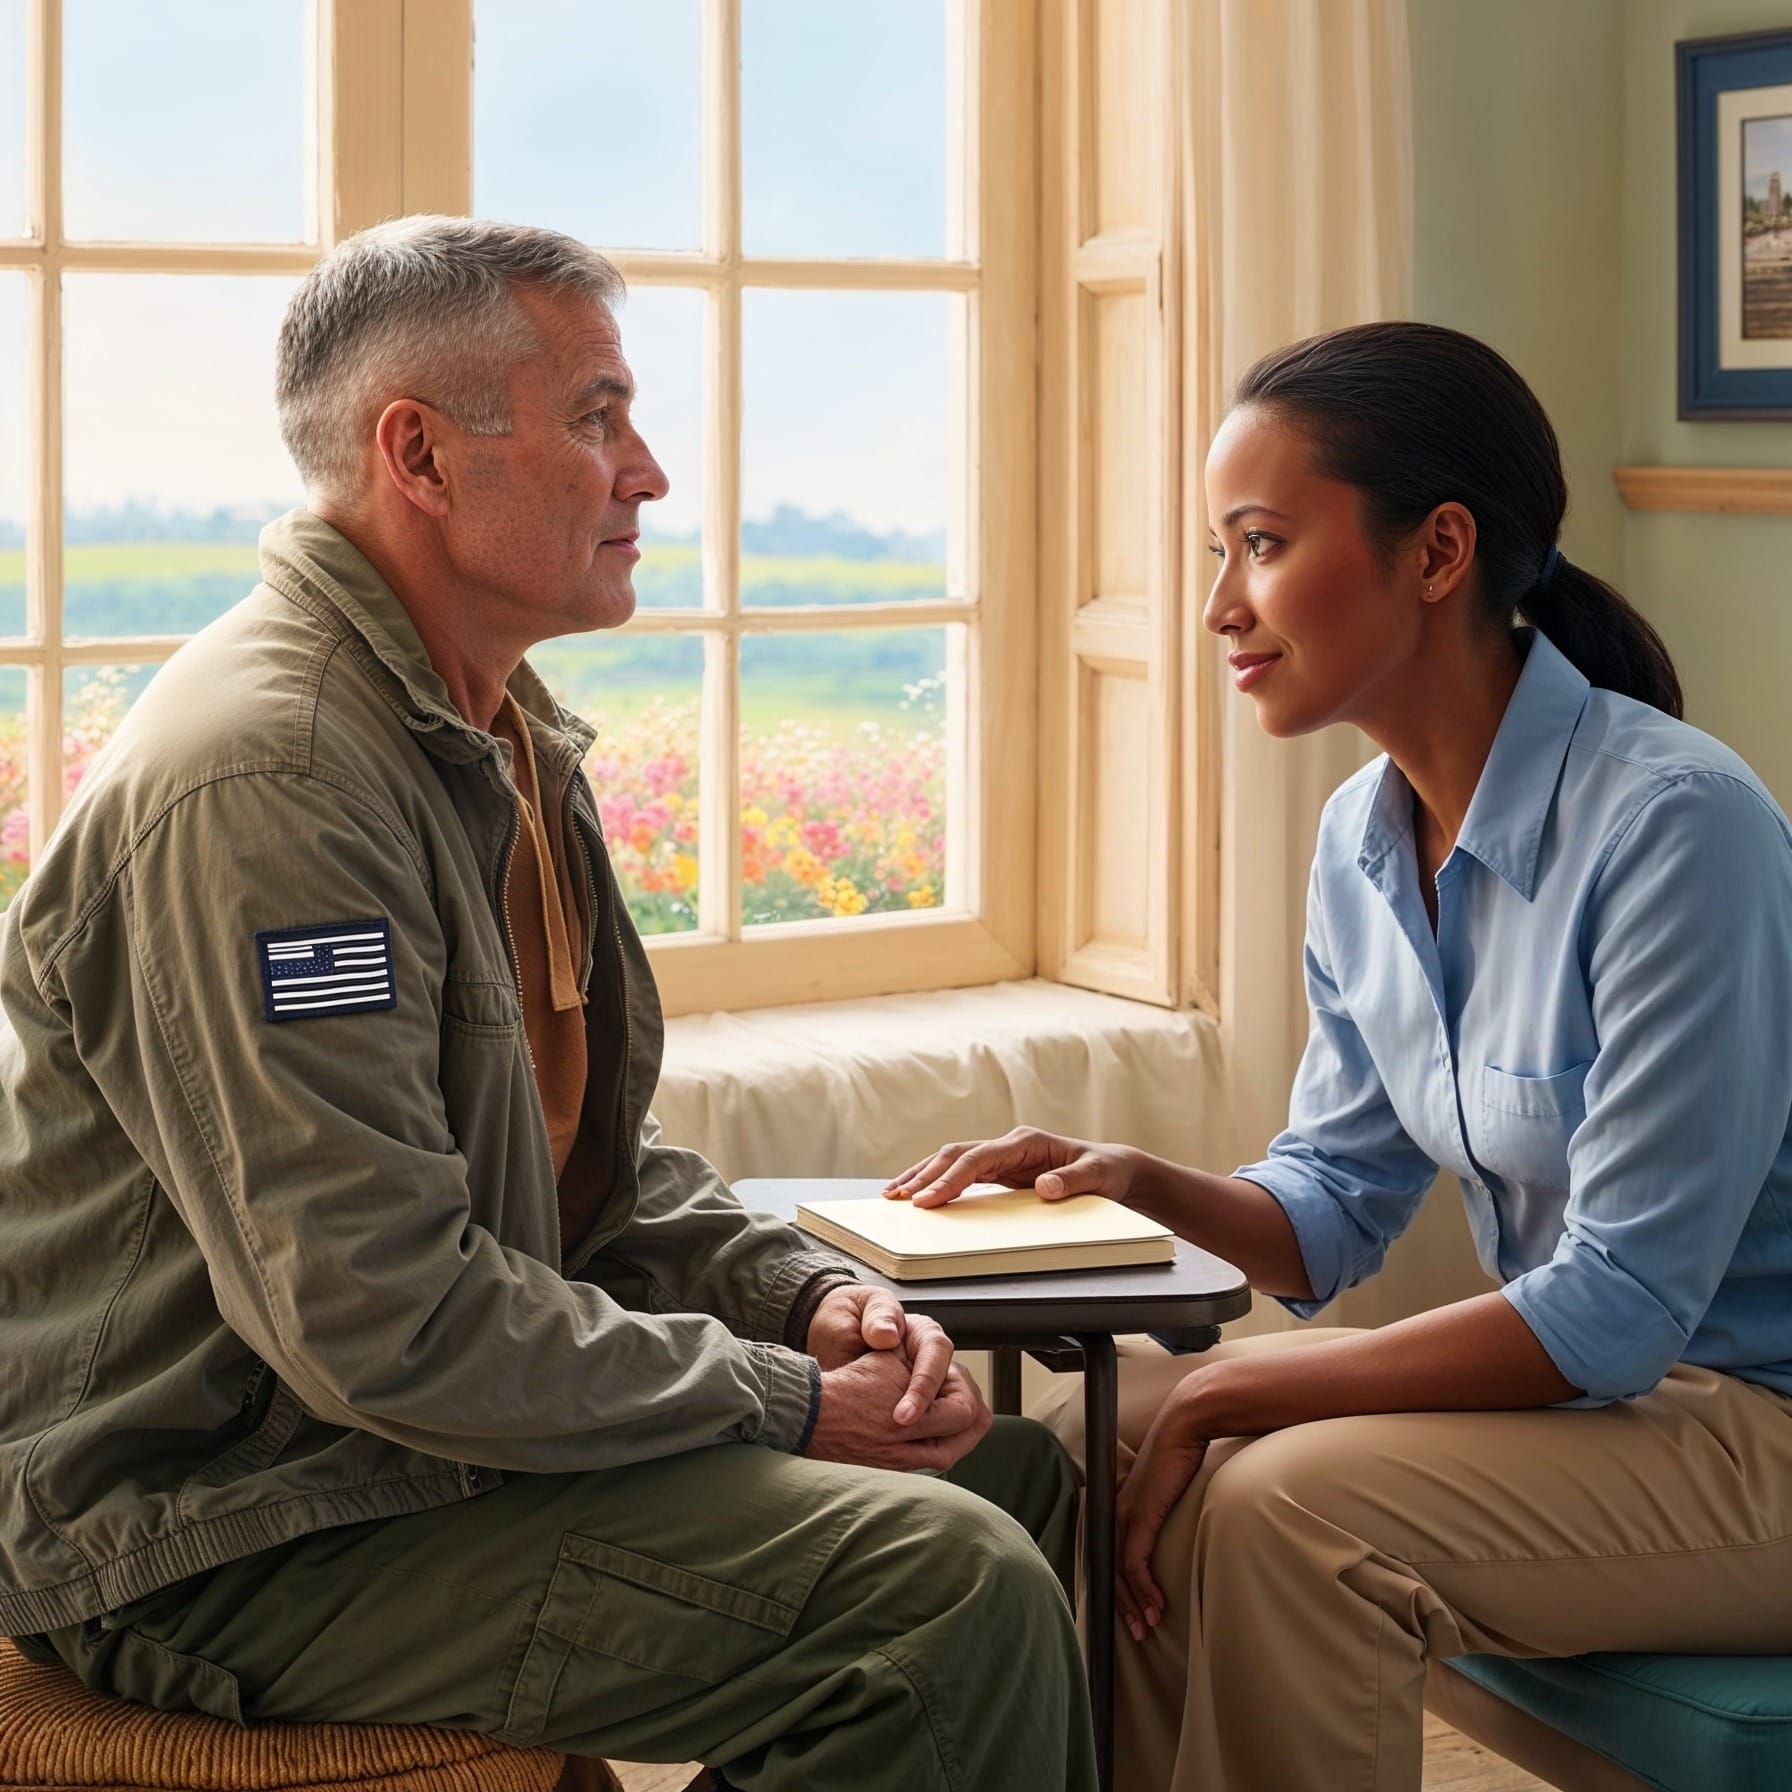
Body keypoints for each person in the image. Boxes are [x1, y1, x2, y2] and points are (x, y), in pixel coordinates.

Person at [0, 216, 1097, 1792]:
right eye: (599, 416)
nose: (647, 472)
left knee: (1013, 1482)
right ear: (420, 456)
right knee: (941, 1593)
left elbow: (583, 1165)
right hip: (221, 1521)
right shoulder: (280, 781)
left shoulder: (488, 735)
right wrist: (783, 1399)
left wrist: (797, 1297)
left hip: (386, 1457)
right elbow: (378, 1316)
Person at [885, 320, 1792, 1792]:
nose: (1216, 607)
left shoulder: (1675, 828)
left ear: (1438, 552)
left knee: (1283, 1501)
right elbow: (1327, 1216)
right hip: (1626, 1414)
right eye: (1217, 550)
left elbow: (1618, 1308)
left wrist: (1256, 1389)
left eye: (1258, 544)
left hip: (1758, 1429)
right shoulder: (1365, 839)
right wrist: (1132, 1179)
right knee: (1095, 1431)